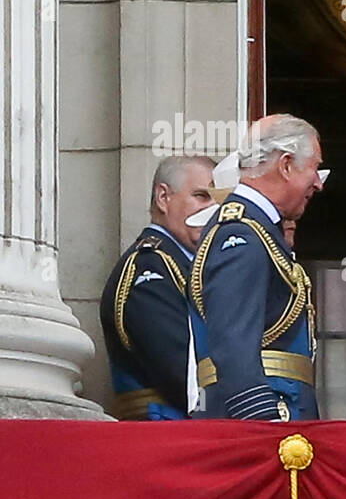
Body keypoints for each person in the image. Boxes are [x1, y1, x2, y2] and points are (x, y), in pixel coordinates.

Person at [187, 114, 328, 421]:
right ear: (287, 165)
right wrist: (264, 426)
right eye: (315, 168)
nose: (318, 183)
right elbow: (234, 346)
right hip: (263, 421)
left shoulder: (258, 230)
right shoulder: (240, 234)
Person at [98, 154, 215, 419]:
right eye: (201, 196)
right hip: (165, 438)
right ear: (163, 198)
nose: (213, 209)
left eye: (218, 200)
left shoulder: (187, 267)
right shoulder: (150, 269)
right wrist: (240, 411)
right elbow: (184, 378)